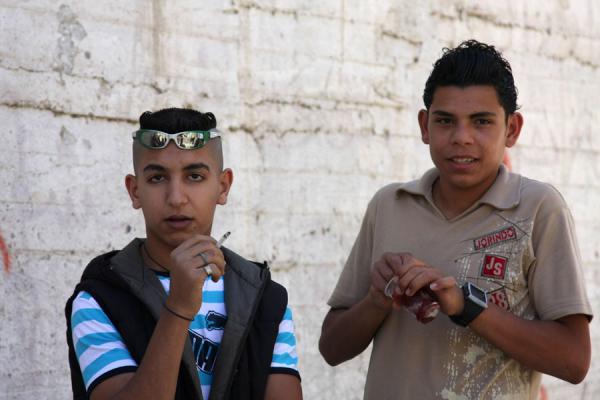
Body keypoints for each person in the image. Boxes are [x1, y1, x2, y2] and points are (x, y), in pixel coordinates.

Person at [319, 40, 593, 399]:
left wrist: (467, 306)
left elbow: (574, 361)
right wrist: (377, 299)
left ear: (512, 129)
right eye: (446, 121)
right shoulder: (389, 205)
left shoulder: (538, 209)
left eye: (481, 122)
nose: (461, 138)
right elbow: (331, 348)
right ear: (424, 126)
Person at [65, 108, 302, 400]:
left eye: (194, 176)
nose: (176, 198)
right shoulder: (100, 298)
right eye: (157, 178)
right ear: (134, 190)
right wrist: (178, 308)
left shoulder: (265, 298)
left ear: (223, 186)